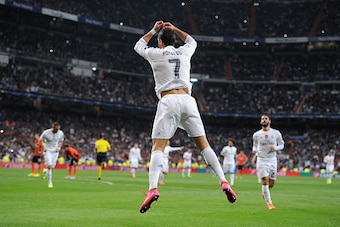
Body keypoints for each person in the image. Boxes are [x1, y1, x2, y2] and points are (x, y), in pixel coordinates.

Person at [134, 20, 237, 213]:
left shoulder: (156, 53)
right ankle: (224, 182)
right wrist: (174, 29)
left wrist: (153, 30)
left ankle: (153, 188)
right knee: (204, 145)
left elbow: (138, 45)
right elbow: (192, 41)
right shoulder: (184, 51)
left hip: (168, 100)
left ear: (161, 43)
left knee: (158, 146)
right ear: (174, 40)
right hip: (188, 100)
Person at [252, 114, 284, 210]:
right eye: (262, 119)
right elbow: (254, 145)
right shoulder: (256, 135)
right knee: (264, 180)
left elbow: (282, 145)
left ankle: (265, 191)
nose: (264, 120)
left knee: (271, 184)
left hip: (272, 160)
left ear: (269, 121)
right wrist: (254, 150)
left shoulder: (276, 133)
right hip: (261, 160)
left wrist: (276, 148)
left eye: (266, 119)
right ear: (260, 122)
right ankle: (269, 203)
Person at [39, 122, 64, 188]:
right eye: (56, 129)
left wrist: (59, 148)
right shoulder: (46, 132)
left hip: (55, 151)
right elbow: (40, 140)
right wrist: (43, 147)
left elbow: (61, 141)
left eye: (58, 129)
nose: (57, 131)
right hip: (47, 151)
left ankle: (45, 170)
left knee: (52, 167)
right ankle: (50, 183)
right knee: (49, 166)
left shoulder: (60, 133)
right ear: (53, 128)